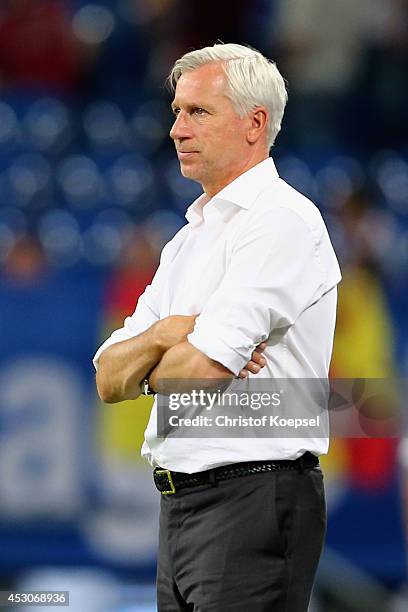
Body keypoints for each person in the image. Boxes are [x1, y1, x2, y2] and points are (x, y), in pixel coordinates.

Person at [94, 43, 341, 611]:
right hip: (182, 505)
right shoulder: (188, 240)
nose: (177, 129)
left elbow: (203, 370)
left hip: (253, 499)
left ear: (255, 123)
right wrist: (168, 334)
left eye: (197, 112)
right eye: (177, 112)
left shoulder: (281, 221)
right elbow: (108, 377)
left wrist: (155, 362)